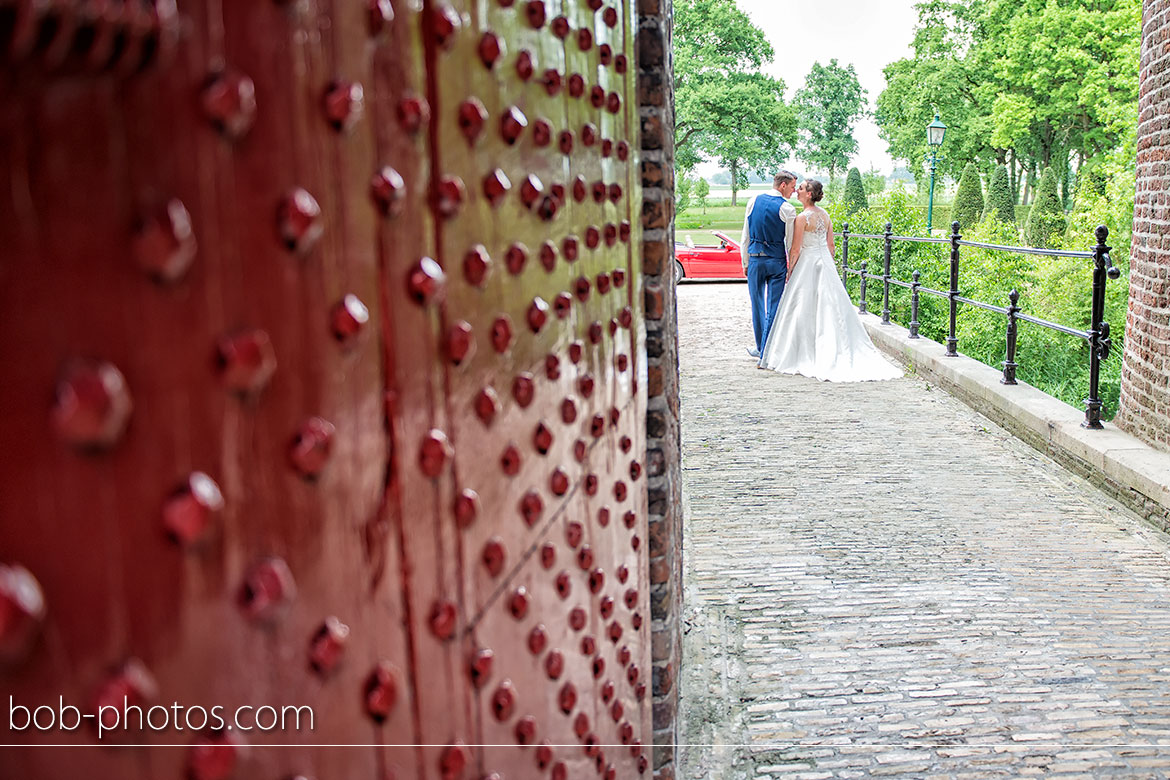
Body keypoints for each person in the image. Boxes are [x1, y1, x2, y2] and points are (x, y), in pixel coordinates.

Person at [758, 179, 903, 382]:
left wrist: (790, 270)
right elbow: (832, 246)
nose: (797, 190)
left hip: (808, 262)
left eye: (801, 188)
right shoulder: (825, 215)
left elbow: (796, 248)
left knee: (803, 308)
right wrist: (828, 263)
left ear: (809, 194)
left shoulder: (802, 218)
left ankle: (803, 352)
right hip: (824, 261)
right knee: (830, 306)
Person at [741, 171, 798, 357]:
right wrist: (791, 267)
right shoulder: (787, 209)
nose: (793, 191)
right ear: (783, 185)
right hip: (776, 262)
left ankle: (760, 348)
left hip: (755, 260)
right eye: (791, 187)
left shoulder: (753, 200)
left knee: (757, 304)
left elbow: (746, 236)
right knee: (774, 306)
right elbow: (790, 243)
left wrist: (745, 262)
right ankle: (769, 347)